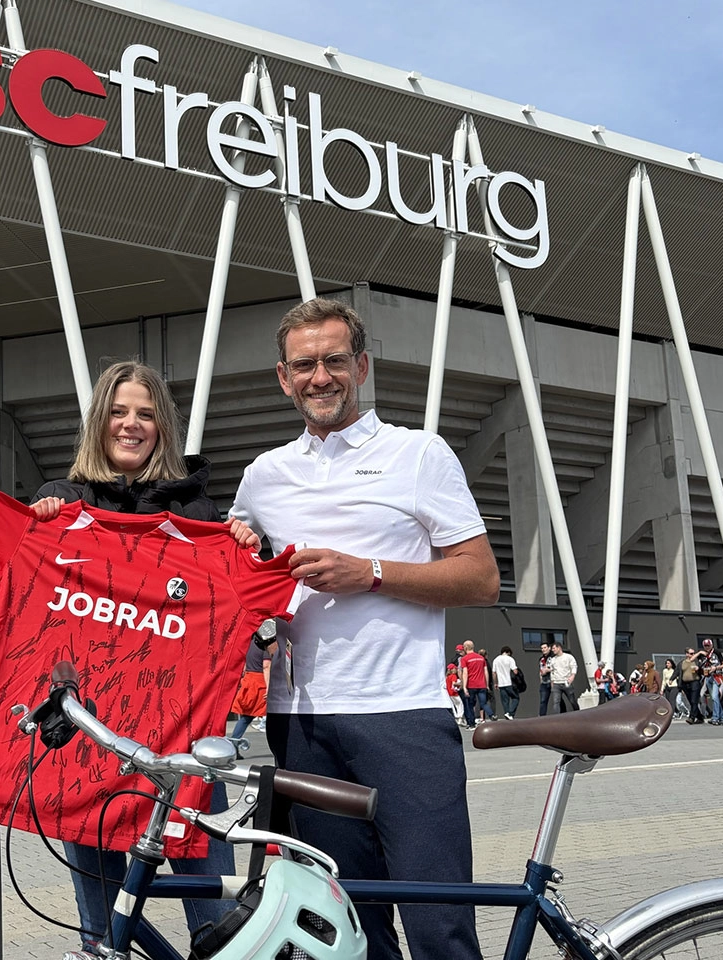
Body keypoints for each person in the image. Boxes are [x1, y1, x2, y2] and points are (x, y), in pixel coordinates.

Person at [229, 297, 500, 960]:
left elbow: (481, 579)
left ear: (363, 366)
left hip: (403, 718)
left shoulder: (418, 453)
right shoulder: (263, 477)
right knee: (345, 933)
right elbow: (238, 573)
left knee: (439, 925)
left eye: (334, 361)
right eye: (304, 365)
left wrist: (371, 572)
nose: (320, 377)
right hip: (302, 724)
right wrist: (242, 547)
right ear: (282, 378)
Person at [30, 359, 238, 953]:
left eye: (145, 414)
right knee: (103, 927)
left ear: (163, 427)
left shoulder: (198, 513)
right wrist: (35, 527)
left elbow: (236, 597)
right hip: (92, 738)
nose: (131, 424)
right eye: (118, 412)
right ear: (99, 422)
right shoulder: (60, 501)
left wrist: (245, 543)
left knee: (216, 918)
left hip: (184, 736)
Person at [458, 641, 489, 728]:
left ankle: (471, 723)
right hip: (481, 684)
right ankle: (488, 716)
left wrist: (464, 686)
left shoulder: (464, 659)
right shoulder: (481, 658)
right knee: (482, 702)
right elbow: (485, 671)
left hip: (471, 684)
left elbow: (464, 673)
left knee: (469, 704)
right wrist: (486, 684)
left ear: (465, 648)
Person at [700, 639, 723, 725]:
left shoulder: (717, 652)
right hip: (708, 677)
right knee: (714, 699)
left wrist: (716, 668)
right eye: (705, 646)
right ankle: (722, 718)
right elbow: (692, 659)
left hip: (717, 677)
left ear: (712, 645)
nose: (707, 647)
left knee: (715, 697)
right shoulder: (703, 654)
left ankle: (715, 717)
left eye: (708, 645)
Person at [548, 642, 578, 713]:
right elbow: (552, 671)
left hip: (566, 682)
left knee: (572, 700)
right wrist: (552, 681)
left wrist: (572, 676)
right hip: (556, 683)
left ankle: (577, 712)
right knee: (556, 702)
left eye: (554, 648)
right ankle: (556, 718)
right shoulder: (553, 660)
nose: (553, 650)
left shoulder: (568, 657)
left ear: (559, 648)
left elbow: (573, 666)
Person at [492, 645, 519, 719]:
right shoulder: (510, 659)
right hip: (509, 683)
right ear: (508, 652)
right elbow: (515, 671)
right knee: (515, 698)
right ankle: (511, 713)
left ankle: (507, 713)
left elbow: (494, 673)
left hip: (501, 684)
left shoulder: (496, 660)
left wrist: (495, 683)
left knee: (505, 701)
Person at [680, 647, 705, 724]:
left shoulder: (697, 661)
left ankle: (691, 717)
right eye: (691, 653)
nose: (693, 655)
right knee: (691, 701)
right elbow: (678, 672)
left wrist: (699, 668)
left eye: (694, 653)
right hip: (685, 684)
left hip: (695, 682)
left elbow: (704, 670)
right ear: (686, 654)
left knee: (694, 701)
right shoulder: (682, 662)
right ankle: (700, 717)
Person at [538, 641, 553, 716]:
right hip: (544, 682)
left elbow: (556, 668)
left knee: (557, 700)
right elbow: (540, 670)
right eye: (542, 648)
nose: (543, 649)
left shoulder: (553, 657)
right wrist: (540, 679)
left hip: (553, 681)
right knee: (543, 701)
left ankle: (562, 713)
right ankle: (542, 716)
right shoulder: (541, 659)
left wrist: (547, 670)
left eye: (545, 647)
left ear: (549, 648)